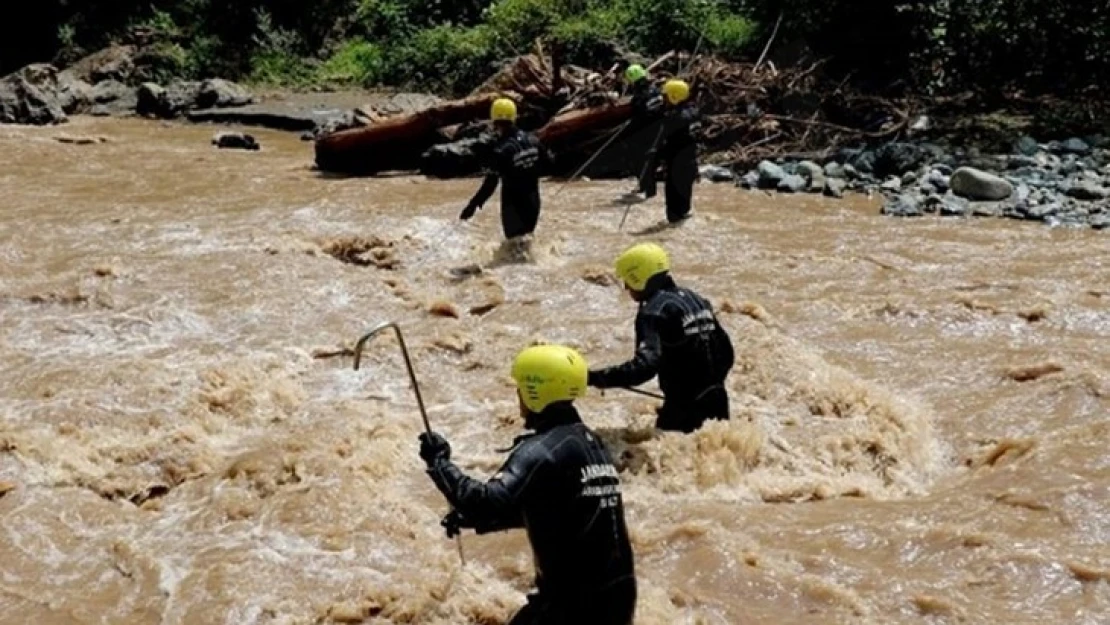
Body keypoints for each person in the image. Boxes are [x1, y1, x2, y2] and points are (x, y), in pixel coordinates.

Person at [417, 344, 637, 625]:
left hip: (573, 604)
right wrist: (475, 521)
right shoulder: (590, 443)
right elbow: (558, 509)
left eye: (520, 387)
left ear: (535, 391)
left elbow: (484, 501)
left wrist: (439, 463)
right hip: (617, 597)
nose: (518, 395)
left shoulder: (540, 450)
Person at [587, 242, 734, 434]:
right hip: (718, 400)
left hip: (683, 409)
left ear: (638, 278)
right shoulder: (696, 299)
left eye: (628, 281)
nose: (626, 287)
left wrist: (593, 378)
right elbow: (726, 352)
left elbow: (644, 368)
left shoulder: (653, 312)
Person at [460, 97, 550, 241]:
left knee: (514, 244)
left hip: (513, 206)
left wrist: (473, 205)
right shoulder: (533, 140)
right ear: (514, 117)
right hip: (533, 201)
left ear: (494, 120)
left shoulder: (502, 150)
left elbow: (490, 183)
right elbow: (548, 162)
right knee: (526, 240)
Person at [636, 79, 702, 224]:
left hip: (681, 163)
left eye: (666, 96)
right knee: (678, 206)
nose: (663, 99)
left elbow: (674, 128)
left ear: (674, 97)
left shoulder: (682, 116)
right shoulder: (685, 111)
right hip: (678, 161)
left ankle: (678, 220)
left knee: (675, 208)